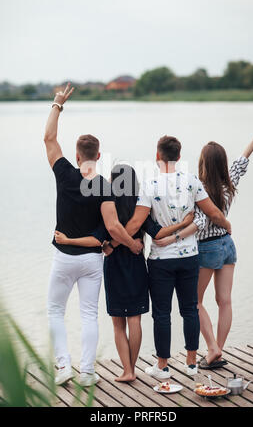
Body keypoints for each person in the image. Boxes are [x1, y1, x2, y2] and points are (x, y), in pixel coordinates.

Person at [54, 164, 200, 382]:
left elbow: (99, 236)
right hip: (136, 264)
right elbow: (157, 232)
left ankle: (127, 371)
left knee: (118, 322)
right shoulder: (139, 208)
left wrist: (85, 242)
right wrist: (183, 223)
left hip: (114, 264)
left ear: (114, 182)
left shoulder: (106, 207)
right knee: (135, 318)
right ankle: (132, 368)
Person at [44, 84, 143, 386]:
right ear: (98, 155)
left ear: (76, 155)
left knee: (55, 311)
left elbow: (48, 138)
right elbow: (113, 228)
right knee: (88, 314)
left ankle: (63, 368)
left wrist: (58, 104)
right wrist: (133, 245)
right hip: (91, 260)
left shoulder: (64, 173)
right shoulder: (105, 186)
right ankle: (87, 372)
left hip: (63, 256)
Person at [110, 136, 232, 379]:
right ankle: (190, 363)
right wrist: (227, 225)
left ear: (158, 155)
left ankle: (163, 366)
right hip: (189, 257)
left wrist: (113, 243)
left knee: (162, 313)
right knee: (189, 309)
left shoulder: (149, 184)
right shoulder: (192, 181)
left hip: (160, 260)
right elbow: (213, 213)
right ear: (179, 155)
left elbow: (135, 223)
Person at [196, 116, 253, 369]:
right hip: (228, 245)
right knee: (225, 301)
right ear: (223, 163)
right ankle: (218, 348)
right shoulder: (229, 183)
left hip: (207, 248)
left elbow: (196, 221)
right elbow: (244, 157)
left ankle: (212, 349)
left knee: (193, 302)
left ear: (203, 163)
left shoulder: (198, 189)